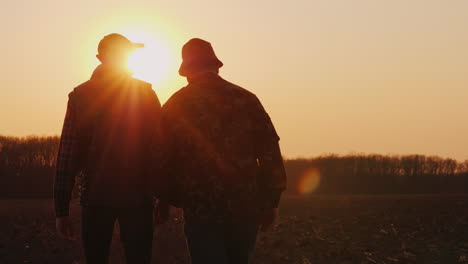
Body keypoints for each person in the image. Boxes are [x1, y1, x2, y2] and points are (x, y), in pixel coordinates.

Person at [155, 38, 287, 264]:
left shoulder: (176, 104)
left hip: (200, 207)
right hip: (244, 204)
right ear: (216, 66)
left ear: (187, 71)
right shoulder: (246, 99)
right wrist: (270, 201)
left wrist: (164, 200)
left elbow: (162, 157)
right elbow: (269, 153)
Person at [54, 33, 161, 264]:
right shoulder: (145, 93)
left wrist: (61, 210)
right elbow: (159, 149)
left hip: (96, 197)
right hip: (138, 197)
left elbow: (67, 156)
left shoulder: (80, 95)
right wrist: (163, 198)